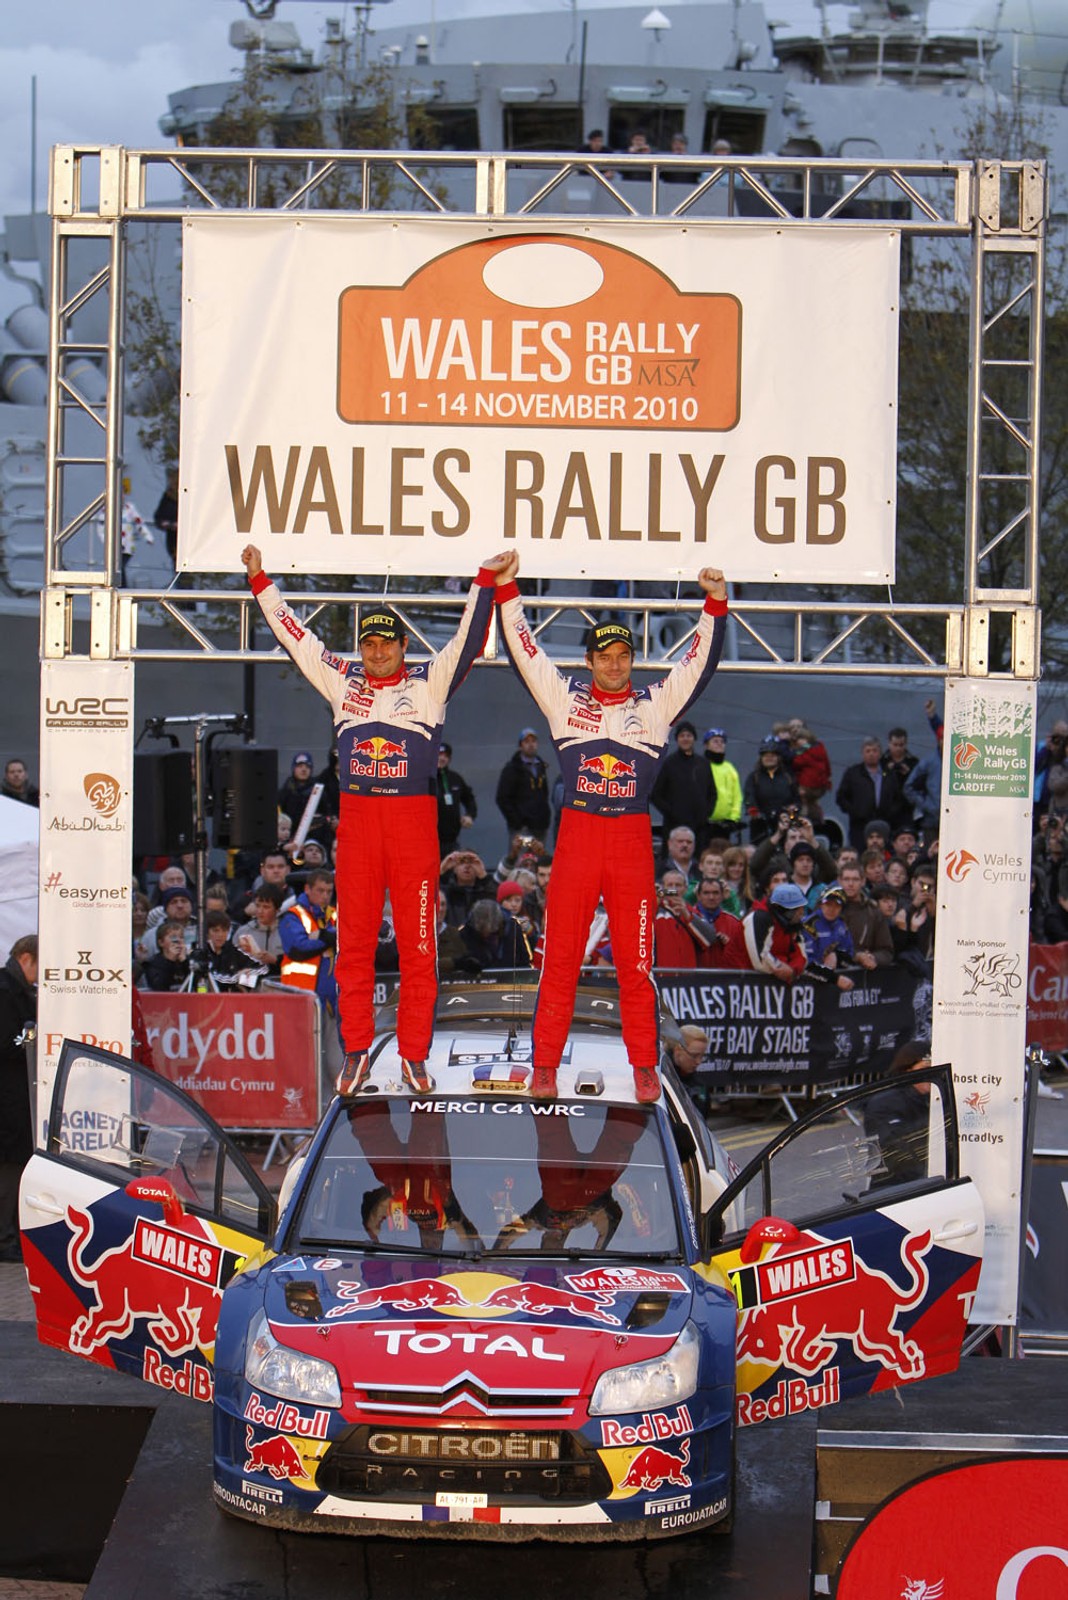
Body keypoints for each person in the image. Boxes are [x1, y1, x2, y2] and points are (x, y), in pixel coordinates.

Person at [242, 543, 503, 1096]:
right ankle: (357, 1053)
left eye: (387, 642)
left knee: (419, 951)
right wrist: (260, 579)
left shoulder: (429, 683)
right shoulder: (343, 681)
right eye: (369, 643)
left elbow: (470, 639)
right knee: (353, 947)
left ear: (404, 646)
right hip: (358, 830)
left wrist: (483, 579)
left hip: (412, 831)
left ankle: (414, 1056)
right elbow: (295, 636)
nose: (377, 651)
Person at [495, 551, 728, 1101]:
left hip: (628, 840)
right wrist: (507, 591)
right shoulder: (564, 700)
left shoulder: (655, 705)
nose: (616, 665)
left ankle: (644, 1065)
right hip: (576, 840)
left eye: (624, 656)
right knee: (560, 962)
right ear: (590, 660)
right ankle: (544, 1067)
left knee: (635, 964)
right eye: (606, 656)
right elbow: (526, 653)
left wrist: (714, 605)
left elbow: (699, 664)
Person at [0, 934, 37, 1262]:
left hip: (15, 1093)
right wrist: (30, 1037)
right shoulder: (7, 991)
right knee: (11, 1164)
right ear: (26, 958)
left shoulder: (15, 989)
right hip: (9, 1095)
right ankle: (5, 1236)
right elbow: (7, 1044)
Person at [278, 868, 338, 1013]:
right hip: (301, 996)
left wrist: (323, 935)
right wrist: (330, 938)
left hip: (333, 998)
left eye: (329, 891)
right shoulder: (293, 916)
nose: (325, 896)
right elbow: (298, 949)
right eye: (320, 890)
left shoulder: (334, 916)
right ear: (307, 889)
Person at [836, 737, 909, 852]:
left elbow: (898, 798)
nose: (871, 754)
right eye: (868, 751)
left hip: (884, 824)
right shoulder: (853, 773)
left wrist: (890, 813)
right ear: (862, 753)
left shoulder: (889, 773)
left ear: (880, 753)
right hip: (859, 826)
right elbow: (841, 797)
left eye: (874, 751)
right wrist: (855, 811)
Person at [650, 721, 713, 849]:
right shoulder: (669, 764)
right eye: (682, 736)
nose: (685, 739)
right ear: (677, 739)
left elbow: (712, 793)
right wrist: (671, 813)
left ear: (694, 739)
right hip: (674, 826)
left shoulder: (703, 764)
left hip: (699, 827)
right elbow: (655, 794)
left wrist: (705, 814)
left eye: (689, 736)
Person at [495, 729, 551, 845]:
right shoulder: (512, 769)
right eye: (527, 741)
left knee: (539, 860)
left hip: (540, 826)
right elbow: (502, 798)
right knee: (522, 860)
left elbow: (544, 794)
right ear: (521, 745)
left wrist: (545, 817)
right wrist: (517, 822)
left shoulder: (540, 766)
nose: (531, 745)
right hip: (522, 828)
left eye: (533, 741)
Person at [837, 863, 894, 969]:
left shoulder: (873, 912)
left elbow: (886, 951)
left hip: (864, 975)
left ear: (863, 881)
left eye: (855, 879)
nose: (850, 884)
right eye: (846, 879)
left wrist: (872, 958)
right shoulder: (828, 907)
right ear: (839, 881)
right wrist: (856, 956)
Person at [743, 738, 798, 843]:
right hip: (760, 826)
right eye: (766, 755)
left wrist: (792, 813)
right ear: (761, 758)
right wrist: (753, 811)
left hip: (784, 823)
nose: (769, 758)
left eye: (772, 755)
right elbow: (748, 796)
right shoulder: (754, 777)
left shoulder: (788, 777)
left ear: (778, 758)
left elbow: (797, 800)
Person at [234, 883, 286, 975]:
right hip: (249, 986)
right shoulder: (243, 931)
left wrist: (275, 960)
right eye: (258, 906)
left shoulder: (288, 932)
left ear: (277, 910)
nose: (260, 911)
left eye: (266, 907)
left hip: (280, 985)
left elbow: (298, 964)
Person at [436, 743, 477, 856]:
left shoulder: (455, 778)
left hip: (452, 839)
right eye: (439, 754)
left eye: (445, 756)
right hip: (429, 840)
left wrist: (470, 815)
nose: (442, 758)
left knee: (453, 871)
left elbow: (469, 798)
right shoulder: (426, 779)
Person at [703, 728, 742, 836]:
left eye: (722, 742)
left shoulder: (730, 768)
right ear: (706, 745)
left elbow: (737, 796)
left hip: (725, 825)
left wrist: (733, 818)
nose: (719, 744)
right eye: (715, 741)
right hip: (705, 824)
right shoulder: (701, 766)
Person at [140, 920, 192, 991]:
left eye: (181, 937)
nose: (178, 941)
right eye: (173, 937)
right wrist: (170, 961)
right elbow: (159, 987)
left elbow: (197, 984)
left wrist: (184, 961)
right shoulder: (154, 962)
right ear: (161, 942)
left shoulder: (189, 961)